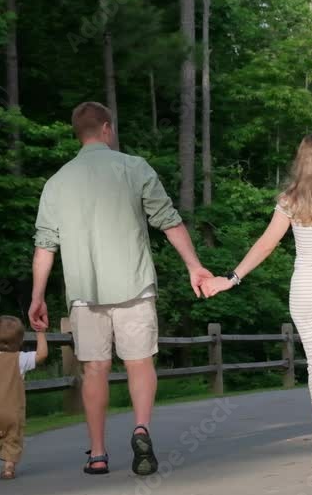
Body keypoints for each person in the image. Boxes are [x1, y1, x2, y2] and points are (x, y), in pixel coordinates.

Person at [29, 101, 212, 476]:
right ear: (107, 128)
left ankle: (97, 454)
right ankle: (141, 429)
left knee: (94, 369)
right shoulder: (134, 167)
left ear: (78, 134)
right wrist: (195, 267)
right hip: (134, 284)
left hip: (84, 292)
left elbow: (45, 245)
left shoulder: (57, 182)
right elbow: (168, 220)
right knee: (139, 362)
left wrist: (37, 297)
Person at [202, 132, 312, 465]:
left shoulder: (290, 201)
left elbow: (265, 245)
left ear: (303, 162)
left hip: (306, 293)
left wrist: (232, 278)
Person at [0, 315, 48, 480]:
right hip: (11, 411)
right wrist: (40, 331)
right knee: (13, 437)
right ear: (20, 340)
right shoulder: (19, 359)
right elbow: (41, 355)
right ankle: (8, 469)